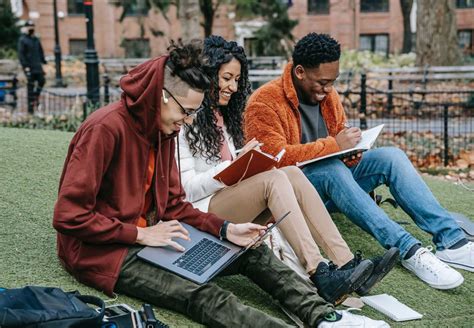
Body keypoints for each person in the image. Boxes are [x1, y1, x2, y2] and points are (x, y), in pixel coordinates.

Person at [52, 40, 389, 328]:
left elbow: (174, 206)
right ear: (163, 96)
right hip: (108, 253)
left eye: (192, 115)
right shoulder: (104, 129)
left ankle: (326, 318)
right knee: (199, 294)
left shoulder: (164, 129)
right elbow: (69, 216)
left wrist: (226, 229)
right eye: (185, 112)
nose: (185, 123)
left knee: (250, 251)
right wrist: (141, 234)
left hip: (160, 234)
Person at [244, 32, 474, 290]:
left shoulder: (328, 96)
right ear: (299, 72)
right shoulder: (264, 102)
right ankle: (410, 251)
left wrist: (351, 153)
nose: (328, 89)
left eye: (333, 81)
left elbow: (339, 140)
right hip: (296, 195)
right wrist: (334, 147)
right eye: (322, 83)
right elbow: (271, 161)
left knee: (391, 157)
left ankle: (452, 242)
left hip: (336, 182)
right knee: (330, 169)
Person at [178, 36, 398, 304]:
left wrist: (244, 161)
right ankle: (318, 272)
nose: (232, 87)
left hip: (230, 198)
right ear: (207, 74)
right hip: (202, 211)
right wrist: (234, 166)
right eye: (226, 78)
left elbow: (232, 168)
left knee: (290, 173)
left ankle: (345, 264)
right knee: (274, 179)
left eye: (236, 80)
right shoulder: (184, 118)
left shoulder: (225, 117)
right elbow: (187, 189)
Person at [17, 20, 46, 114]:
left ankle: (35, 97)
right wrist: (25, 67)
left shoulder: (36, 39)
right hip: (29, 67)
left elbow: (40, 51)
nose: (31, 28)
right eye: (29, 26)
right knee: (30, 86)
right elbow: (21, 55)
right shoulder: (23, 40)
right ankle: (30, 109)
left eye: (32, 26)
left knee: (42, 81)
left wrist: (43, 61)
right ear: (26, 28)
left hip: (37, 66)